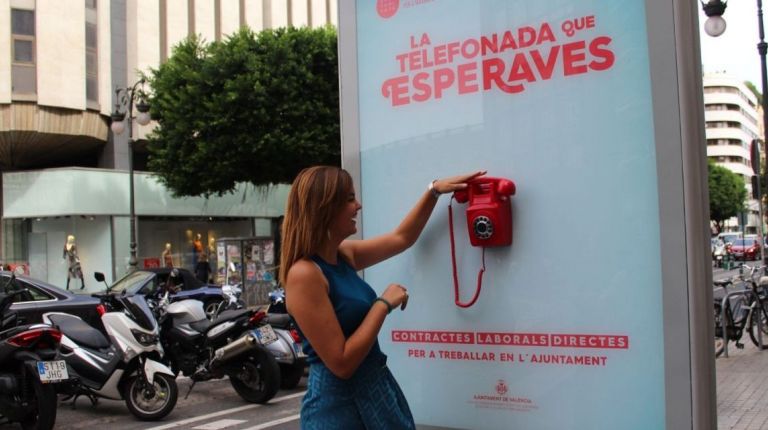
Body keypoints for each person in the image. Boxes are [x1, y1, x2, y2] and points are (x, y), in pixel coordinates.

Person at [281, 166, 484, 429]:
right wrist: (383, 304)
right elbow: (341, 363)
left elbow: (402, 238)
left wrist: (433, 191)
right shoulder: (305, 274)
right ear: (324, 208)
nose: (358, 206)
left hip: (374, 387)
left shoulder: (342, 254)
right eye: (349, 199)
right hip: (338, 406)